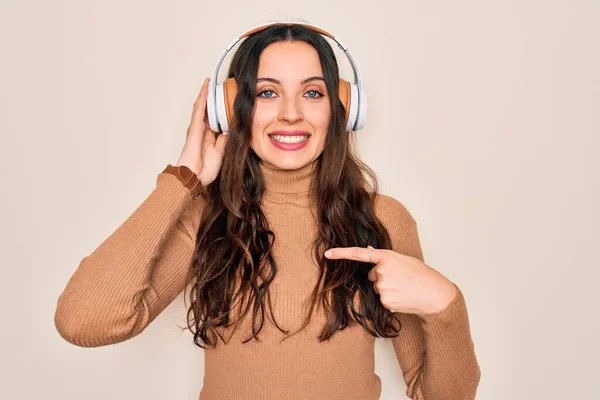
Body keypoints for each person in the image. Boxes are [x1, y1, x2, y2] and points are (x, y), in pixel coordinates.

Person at [54, 22, 481, 400]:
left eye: (312, 93)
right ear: (232, 109)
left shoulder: (383, 219)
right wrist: (182, 180)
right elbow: (84, 322)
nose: (291, 113)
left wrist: (446, 305)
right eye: (267, 92)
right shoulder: (205, 215)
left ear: (342, 109)